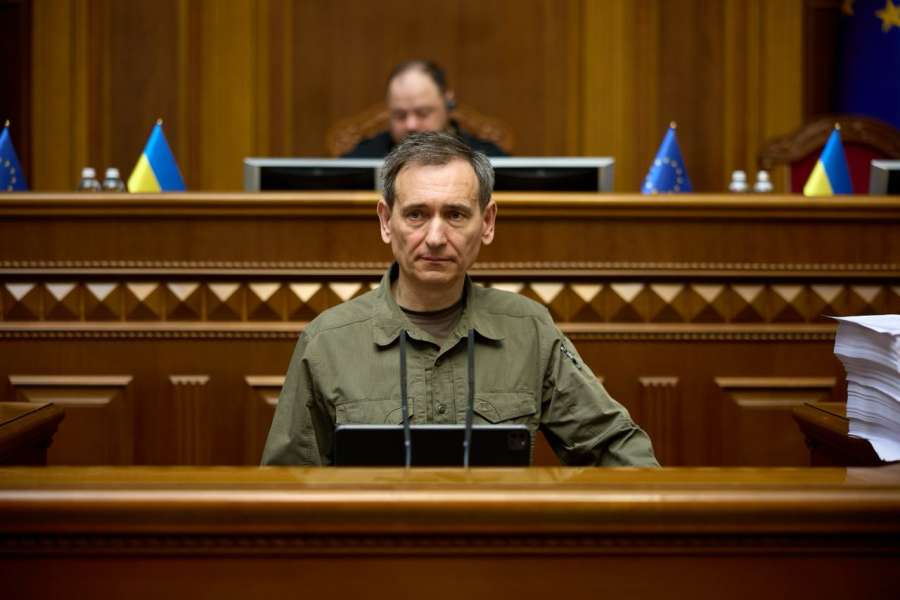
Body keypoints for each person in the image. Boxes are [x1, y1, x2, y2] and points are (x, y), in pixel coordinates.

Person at [262, 132, 657, 467]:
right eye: (416, 215)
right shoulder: (328, 341)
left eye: (455, 215)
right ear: (386, 221)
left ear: (487, 222)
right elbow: (286, 486)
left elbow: (617, 449)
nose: (435, 237)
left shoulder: (529, 330)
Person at [341, 60, 508, 158]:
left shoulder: (485, 156)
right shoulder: (364, 158)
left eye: (423, 113)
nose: (411, 125)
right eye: (400, 115)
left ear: (448, 103)